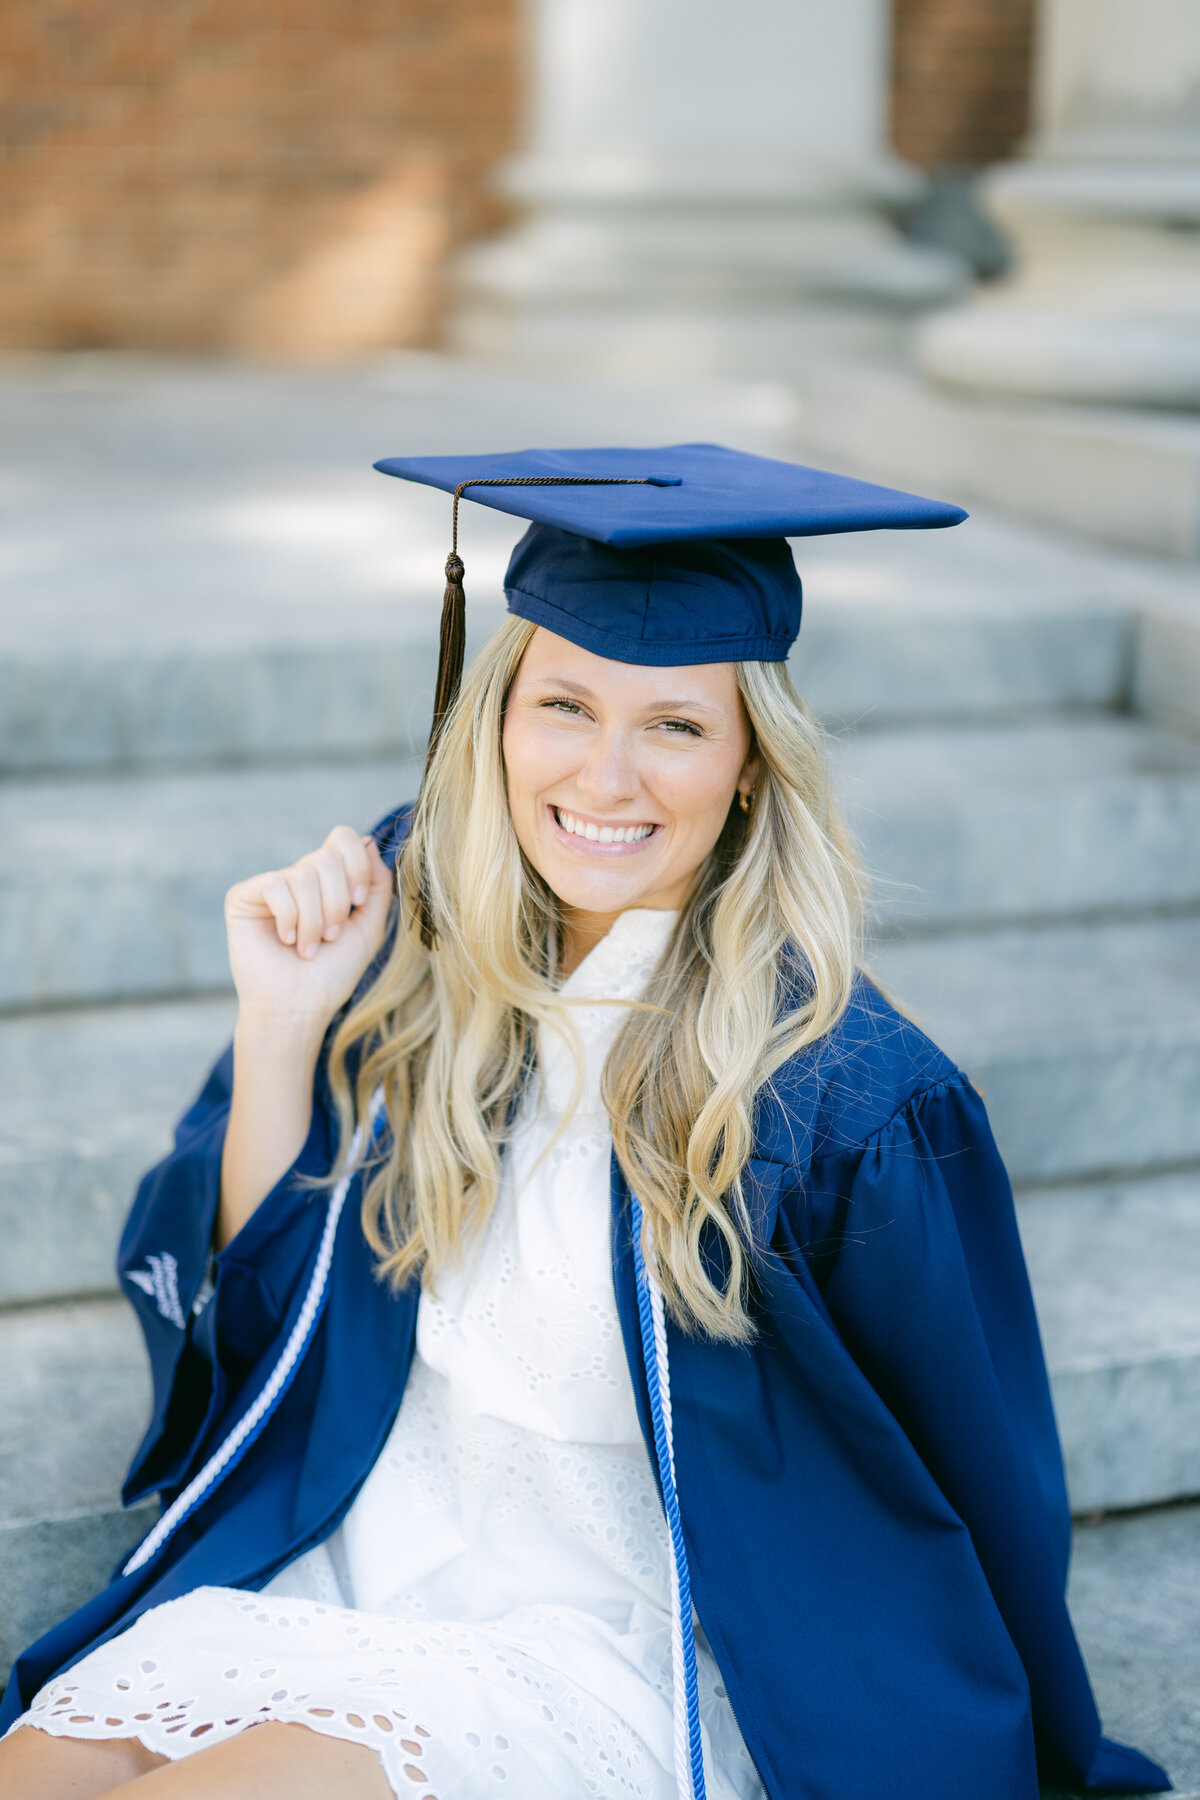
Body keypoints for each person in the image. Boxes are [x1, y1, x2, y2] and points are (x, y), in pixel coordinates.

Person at [0, 445, 1170, 1800]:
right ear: (492, 720)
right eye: (565, 705)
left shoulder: (841, 1099)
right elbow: (270, 1331)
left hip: (625, 1641)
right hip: (358, 1556)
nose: (607, 778)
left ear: (748, 769)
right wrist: (283, 1026)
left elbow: (983, 1468)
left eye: (674, 724)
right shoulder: (411, 942)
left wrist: (1023, 1738)